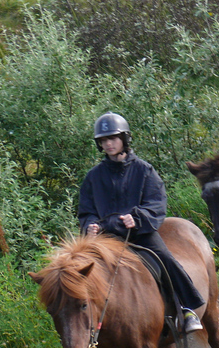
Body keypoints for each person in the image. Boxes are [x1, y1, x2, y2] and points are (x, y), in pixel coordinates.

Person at [78, 112, 204, 334]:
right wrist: (90, 225)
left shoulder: (144, 170)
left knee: (165, 259)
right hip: (106, 240)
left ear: (124, 139)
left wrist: (136, 218)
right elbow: (86, 210)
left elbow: (157, 204)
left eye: (113, 138)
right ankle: (88, 326)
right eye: (104, 140)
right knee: (79, 273)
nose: (108, 144)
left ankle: (187, 308)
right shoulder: (93, 177)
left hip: (139, 233)